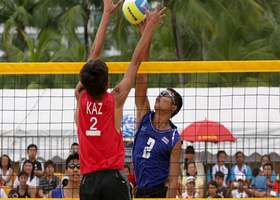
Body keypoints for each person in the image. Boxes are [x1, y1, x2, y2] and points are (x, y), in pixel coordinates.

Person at [74, 1, 166, 199]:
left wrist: (106, 14)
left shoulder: (80, 96)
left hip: (88, 181)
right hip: (113, 179)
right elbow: (135, 62)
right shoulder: (114, 99)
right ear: (107, 83)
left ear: (84, 82)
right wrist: (149, 27)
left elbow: (93, 55)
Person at [132, 23, 182, 198]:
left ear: (173, 107)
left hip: (158, 192)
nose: (159, 95)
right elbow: (142, 75)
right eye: (160, 92)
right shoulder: (145, 116)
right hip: (139, 191)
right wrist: (147, 36)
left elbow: (174, 180)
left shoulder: (175, 138)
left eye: (165, 94)